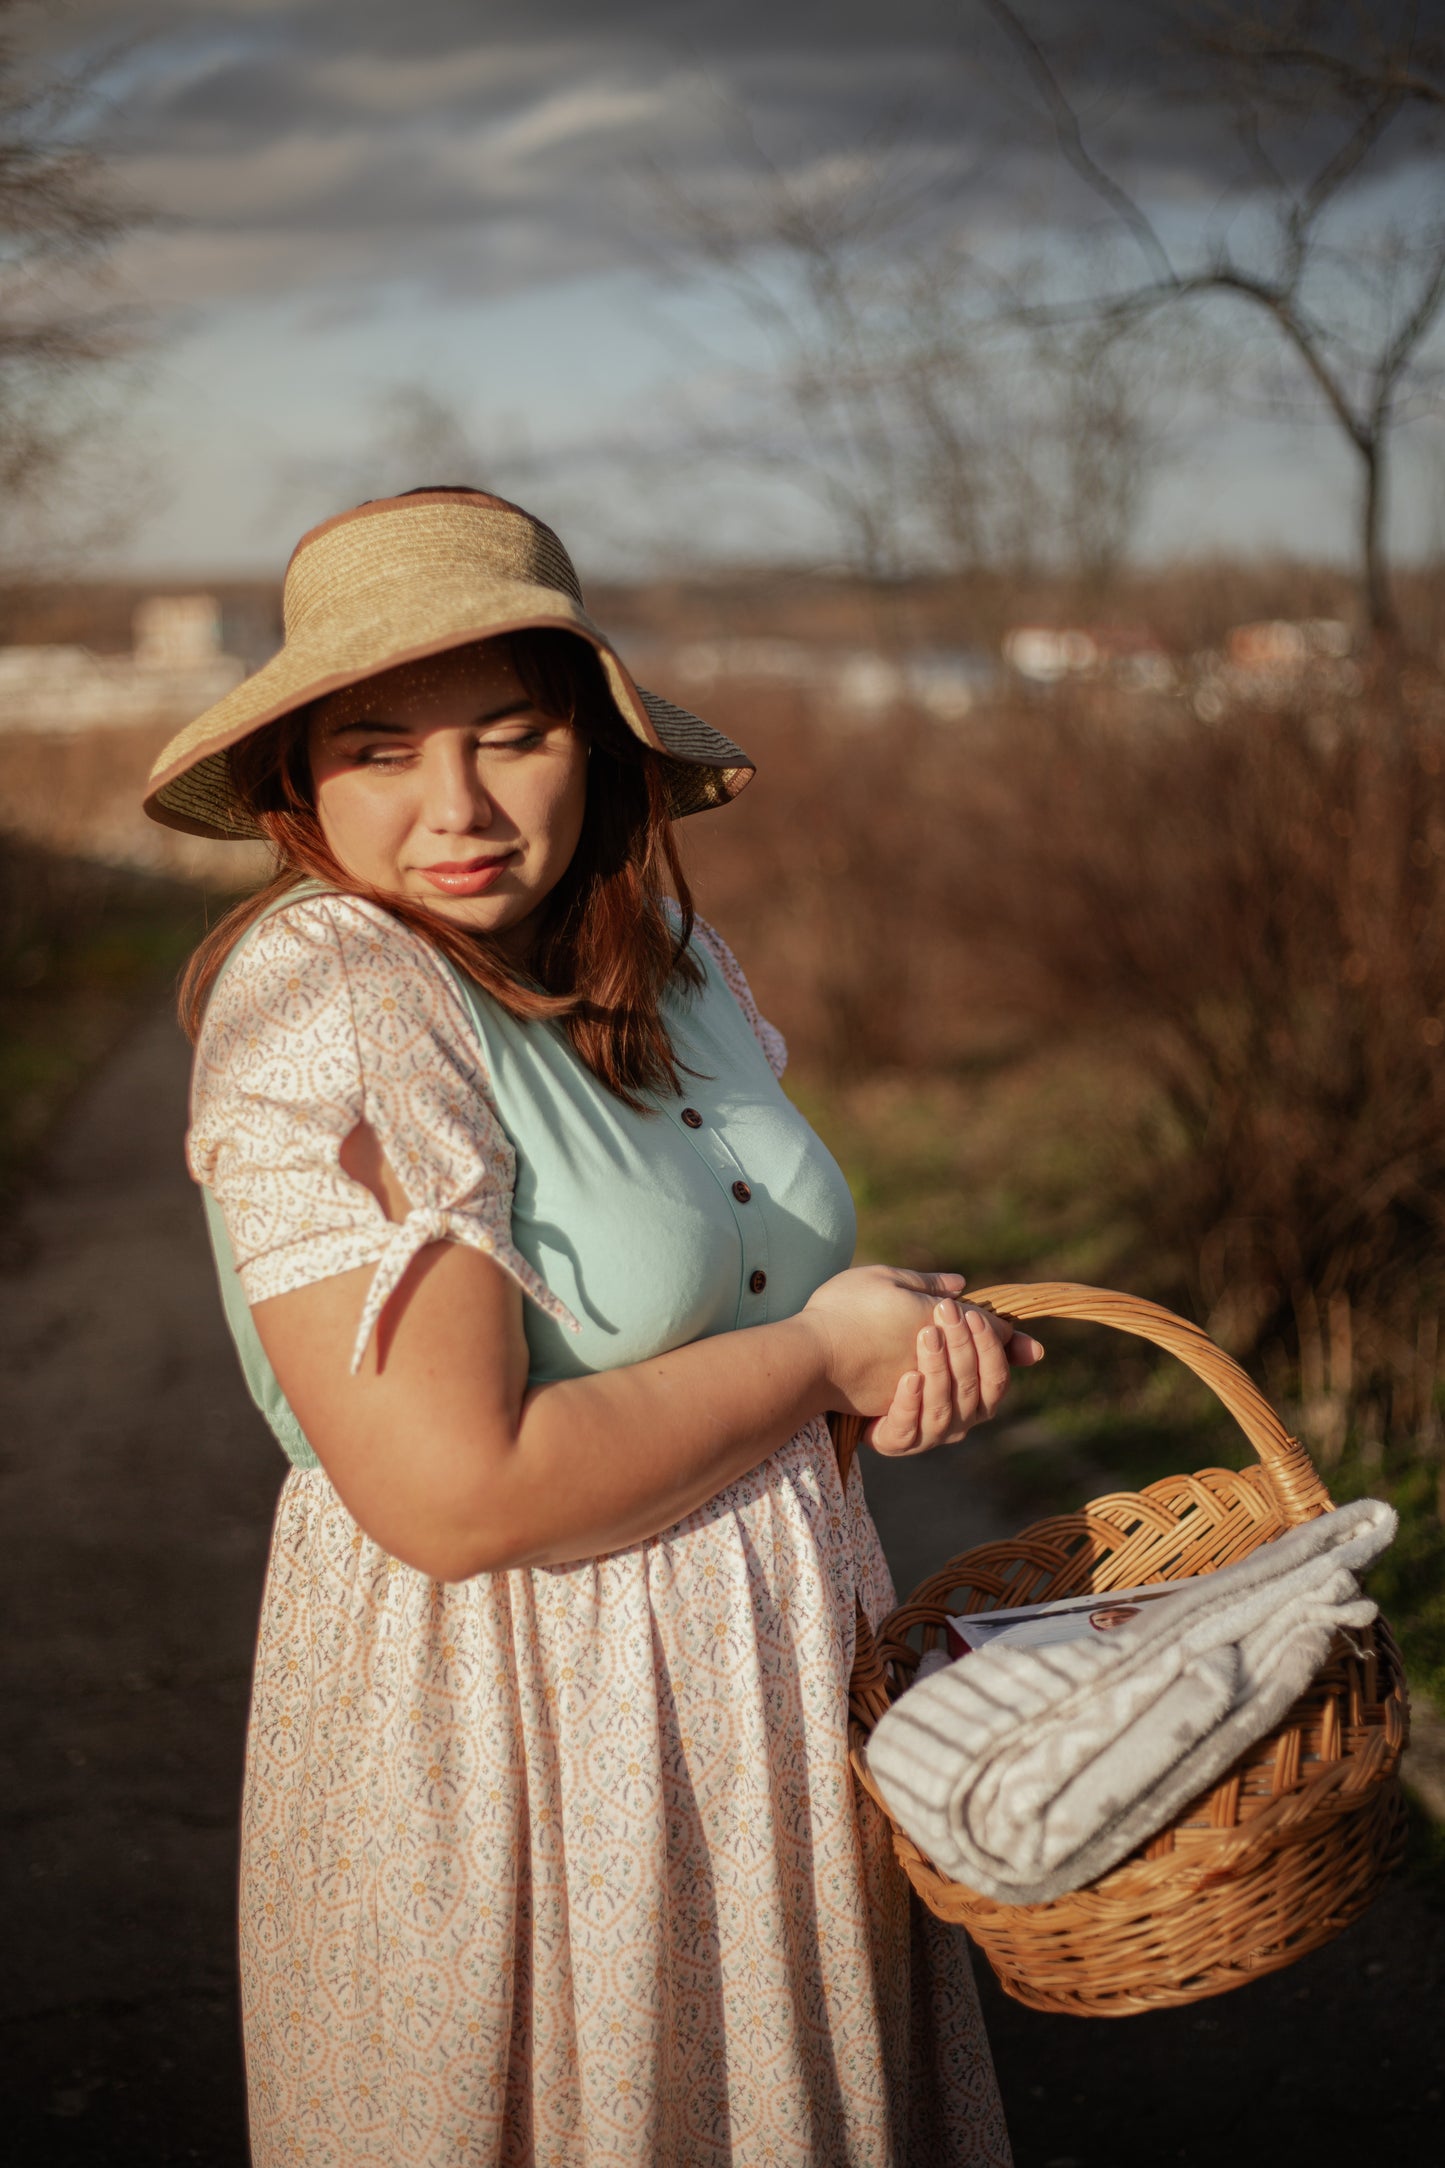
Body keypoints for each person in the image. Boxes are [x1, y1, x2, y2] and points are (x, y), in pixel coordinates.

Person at [145, 487, 1040, 2166]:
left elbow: (717, 1300)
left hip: (766, 1680)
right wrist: (813, 1360)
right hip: (529, 1725)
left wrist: (883, 1346)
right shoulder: (336, 991)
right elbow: (459, 1494)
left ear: (597, 750)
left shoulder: (671, 957)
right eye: (378, 752)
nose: (457, 807)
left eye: (513, 736)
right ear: (295, 785)